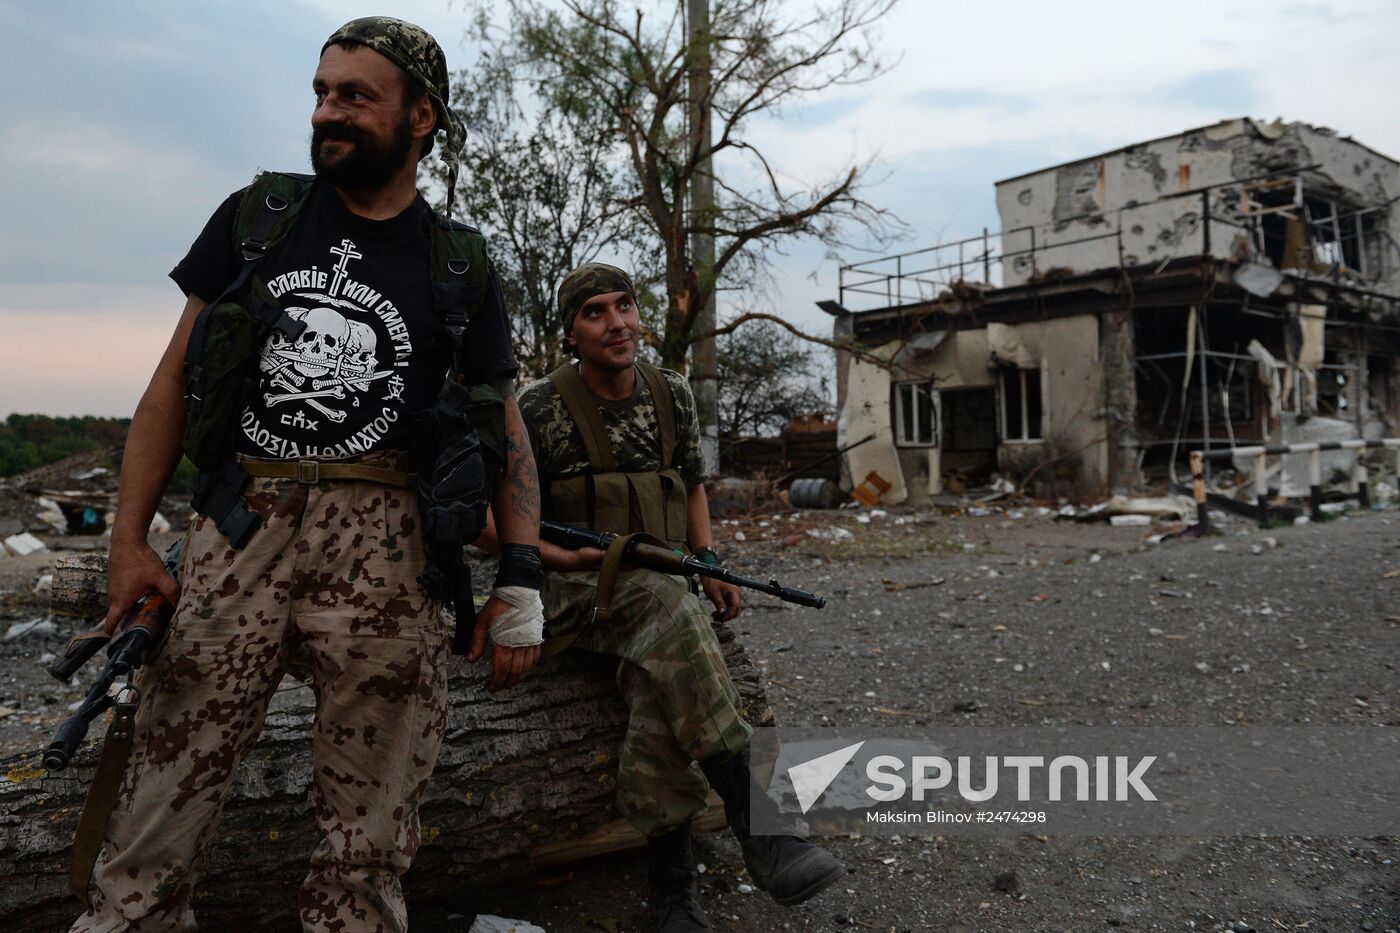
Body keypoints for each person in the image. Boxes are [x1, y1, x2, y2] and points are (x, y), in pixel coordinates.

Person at [73, 17, 544, 933]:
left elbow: (506, 425)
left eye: (355, 96)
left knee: (365, 858)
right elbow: (170, 383)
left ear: (420, 119)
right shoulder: (259, 218)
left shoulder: (458, 262)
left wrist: (520, 577)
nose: (328, 112)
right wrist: (128, 542)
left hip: (391, 561)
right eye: (322, 93)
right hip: (238, 529)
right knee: (151, 826)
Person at [512, 262, 843, 932]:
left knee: (657, 668)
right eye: (596, 312)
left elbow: (689, 483)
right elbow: (504, 522)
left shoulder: (673, 394)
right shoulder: (537, 408)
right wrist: (563, 558)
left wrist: (709, 558)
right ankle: (760, 823)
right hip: (575, 590)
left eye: (625, 306)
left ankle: (672, 893)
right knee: (666, 609)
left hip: (662, 586)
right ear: (571, 332)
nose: (617, 324)